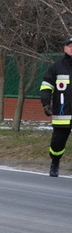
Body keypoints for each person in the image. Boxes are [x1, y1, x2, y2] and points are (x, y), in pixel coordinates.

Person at [40, 36, 72, 177]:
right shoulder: (56, 67)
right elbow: (46, 86)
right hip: (62, 112)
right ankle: (55, 163)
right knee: (57, 143)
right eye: (70, 46)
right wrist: (46, 104)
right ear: (64, 48)